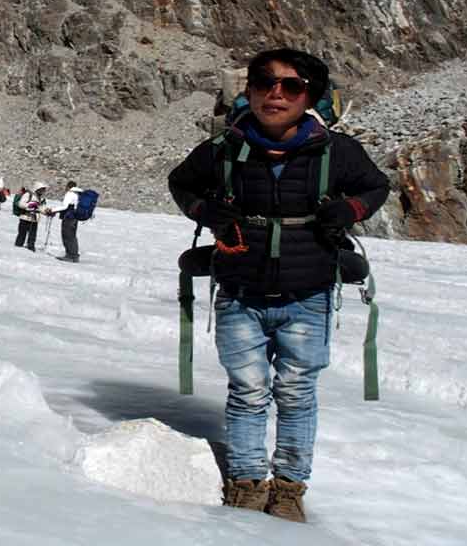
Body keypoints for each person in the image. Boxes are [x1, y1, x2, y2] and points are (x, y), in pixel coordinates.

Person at [167, 48, 389, 522]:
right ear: (247, 89)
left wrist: (349, 211)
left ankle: (288, 488)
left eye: (291, 86)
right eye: (264, 81)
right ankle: (248, 482)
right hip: (239, 294)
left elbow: (375, 187)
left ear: (310, 96)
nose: (276, 93)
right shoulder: (221, 151)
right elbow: (181, 184)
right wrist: (205, 212)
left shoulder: (339, 152)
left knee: (296, 392)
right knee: (247, 391)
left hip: (308, 295)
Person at [44, 181, 83, 262]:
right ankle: (74, 256)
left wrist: (52, 210)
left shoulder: (70, 194)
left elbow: (64, 207)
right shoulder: (78, 194)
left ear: (68, 187)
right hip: (75, 218)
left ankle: (70, 255)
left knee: (67, 236)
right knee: (72, 236)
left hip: (68, 218)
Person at [13, 182, 48, 251]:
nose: (43, 191)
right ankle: (18, 246)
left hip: (34, 219)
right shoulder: (28, 194)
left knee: (33, 235)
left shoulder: (41, 198)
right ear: (37, 188)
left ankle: (31, 247)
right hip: (25, 217)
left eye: (43, 190)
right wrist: (29, 205)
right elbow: (21, 204)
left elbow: (41, 208)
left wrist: (47, 212)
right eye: (41, 189)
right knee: (22, 234)